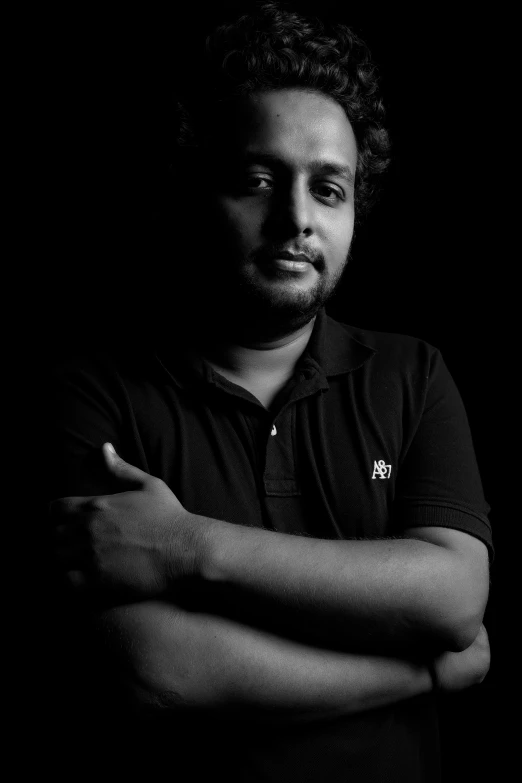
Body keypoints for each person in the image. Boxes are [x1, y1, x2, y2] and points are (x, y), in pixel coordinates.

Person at [47, 2, 492, 781]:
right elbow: (158, 670)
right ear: (195, 194)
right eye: (259, 179)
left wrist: (184, 547)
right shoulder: (97, 392)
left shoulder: (412, 375)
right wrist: (417, 670)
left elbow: (452, 597)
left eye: (329, 189)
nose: (296, 219)